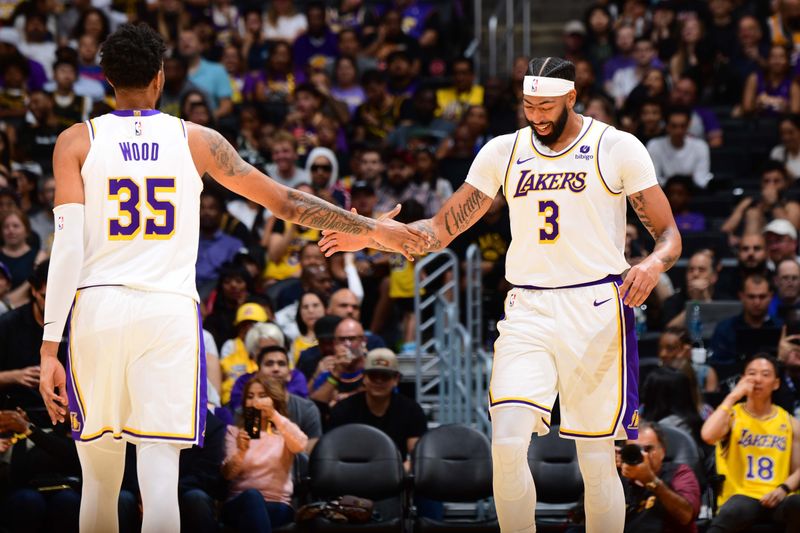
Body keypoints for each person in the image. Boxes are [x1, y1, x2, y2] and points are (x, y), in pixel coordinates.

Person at [37, 23, 429, 533]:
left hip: (99, 311)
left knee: (99, 481)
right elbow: (286, 201)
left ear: (106, 77)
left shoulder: (75, 141)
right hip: (168, 314)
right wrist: (374, 230)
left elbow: (64, 250)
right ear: (160, 77)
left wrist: (49, 348)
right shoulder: (197, 140)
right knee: (159, 484)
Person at [320, 56, 682, 533]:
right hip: (528, 305)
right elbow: (441, 228)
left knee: (595, 457)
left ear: (571, 98)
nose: (537, 116)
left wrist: (653, 264)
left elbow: (669, 235)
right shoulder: (503, 151)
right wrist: (371, 234)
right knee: (508, 441)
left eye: (547, 106)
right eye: (529, 105)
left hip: (596, 307)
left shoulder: (616, 147)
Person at [701, 354, 800, 532]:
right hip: (742, 496)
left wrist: (784, 489)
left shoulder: (790, 422)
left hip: (777, 496)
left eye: (765, 374)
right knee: (735, 509)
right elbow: (708, 435)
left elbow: (798, 470)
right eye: (752, 373)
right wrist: (733, 396)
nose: (757, 379)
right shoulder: (732, 416)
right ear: (743, 380)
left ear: (776, 383)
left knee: (797, 503)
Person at [221, 375, 308, 532]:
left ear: (274, 400)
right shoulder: (234, 433)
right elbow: (228, 475)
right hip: (240, 503)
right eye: (250, 396)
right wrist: (241, 451)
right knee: (253, 497)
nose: (255, 402)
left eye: (262, 396)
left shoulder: (284, 433)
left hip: (277, 504)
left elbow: (301, 445)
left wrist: (273, 414)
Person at [328, 348, 427, 468]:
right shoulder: (343, 410)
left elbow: (418, 457)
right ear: (364, 378)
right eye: (373, 376)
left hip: (397, 477)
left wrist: (400, 472)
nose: (379, 381)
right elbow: (332, 453)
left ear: (396, 379)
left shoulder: (411, 410)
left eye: (385, 376)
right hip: (352, 474)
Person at [617, 421, 701, 533]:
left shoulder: (680, 473)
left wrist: (650, 480)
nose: (643, 455)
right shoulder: (617, 479)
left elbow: (686, 516)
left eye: (647, 449)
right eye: (635, 450)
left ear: (663, 451)